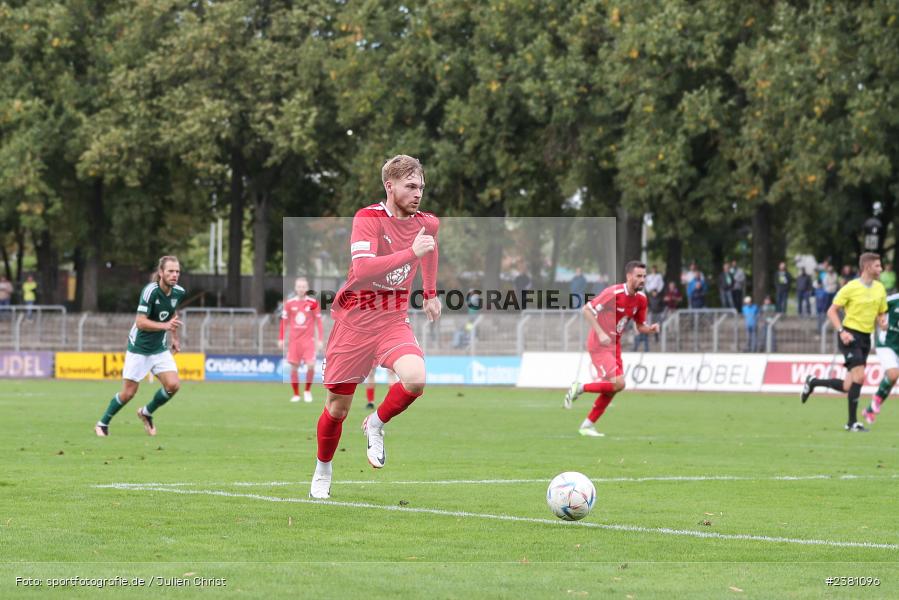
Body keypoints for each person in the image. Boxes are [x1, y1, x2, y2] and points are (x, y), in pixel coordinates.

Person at [310, 154, 441, 499]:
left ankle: (376, 424)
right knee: (337, 410)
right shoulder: (367, 219)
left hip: (392, 320)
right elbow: (365, 269)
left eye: (421, 188)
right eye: (410, 187)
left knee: (415, 378)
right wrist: (411, 253)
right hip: (354, 322)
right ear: (390, 186)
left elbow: (430, 249)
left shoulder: (427, 223)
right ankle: (323, 467)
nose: (418, 194)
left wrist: (429, 294)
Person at [563, 261, 659, 436]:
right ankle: (580, 387)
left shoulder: (641, 299)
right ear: (629, 276)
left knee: (615, 387)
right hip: (599, 345)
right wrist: (600, 333)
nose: (643, 280)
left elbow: (640, 326)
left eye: (644, 276)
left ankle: (587, 425)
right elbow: (586, 310)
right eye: (639, 276)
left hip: (614, 346)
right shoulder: (613, 293)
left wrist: (650, 329)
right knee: (618, 383)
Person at [94, 256, 185, 437]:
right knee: (128, 393)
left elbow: (172, 314)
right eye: (170, 271)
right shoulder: (149, 292)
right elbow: (141, 322)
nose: (174, 275)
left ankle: (146, 412)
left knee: (173, 385)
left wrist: (174, 337)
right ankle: (102, 423)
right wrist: (165, 327)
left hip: (159, 348)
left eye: (177, 272)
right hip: (139, 348)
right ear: (161, 273)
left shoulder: (178, 291)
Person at [800, 253, 887, 432]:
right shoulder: (851, 287)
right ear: (868, 267)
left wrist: (882, 322)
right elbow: (832, 311)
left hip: (865, 339)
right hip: (850, 336)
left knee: (849, 385)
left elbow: (880, 313)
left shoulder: (880, 288)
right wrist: (842, 331)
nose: (881, 269)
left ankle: (813, 382)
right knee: (860, 377)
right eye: (878, 266)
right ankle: (852, 423)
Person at [278, 277, 324, 403]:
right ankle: (296, 394)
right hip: (294, 342)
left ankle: (307, 391)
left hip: (308, 341)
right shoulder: (289, 303)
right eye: (299, 286)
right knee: (294, 367)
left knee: (311, 365)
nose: (301, 289)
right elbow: (284, 322)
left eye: (303, 287)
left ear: (307, 288)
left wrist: (320, 339)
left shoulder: (313, 303)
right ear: (295, 288)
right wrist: (281, 338)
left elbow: (318, 322)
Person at [865, 290, 899, 425]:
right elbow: (876, 306)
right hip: (887, 344)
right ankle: (876, 399)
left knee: (893, 378)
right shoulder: (894, 299)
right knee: (893, 374)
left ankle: (869, 409)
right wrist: (881, 320)